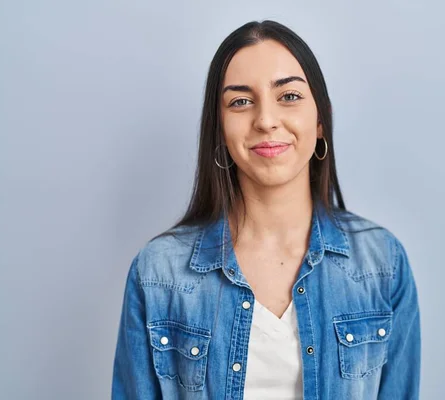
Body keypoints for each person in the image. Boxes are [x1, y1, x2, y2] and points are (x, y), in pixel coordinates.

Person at [112, 20, 421, 400]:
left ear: (320, 120)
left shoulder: (381, 264)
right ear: (220, 130)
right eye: (241, 101)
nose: (266, 120)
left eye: (288, 96)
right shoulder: (159, 272)